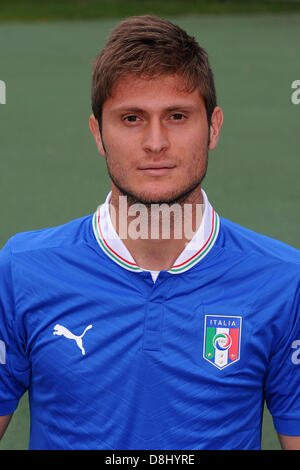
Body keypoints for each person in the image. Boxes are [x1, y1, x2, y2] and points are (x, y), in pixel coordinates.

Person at [0, 15, 300, 451]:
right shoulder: (21, 270)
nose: (156, 143)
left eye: (177, 116)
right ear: (98, 134)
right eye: (132, 118)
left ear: (213, 127)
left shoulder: (284, 280)